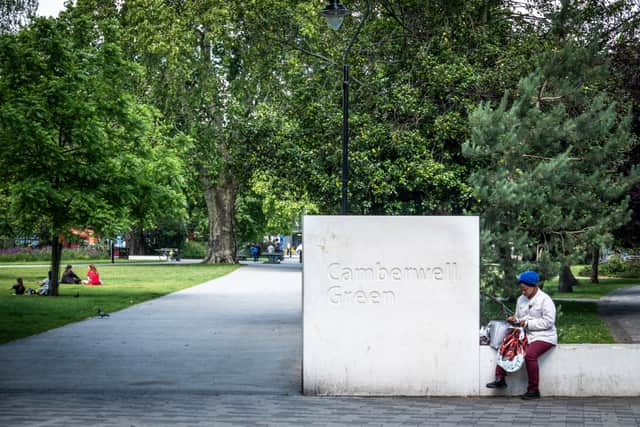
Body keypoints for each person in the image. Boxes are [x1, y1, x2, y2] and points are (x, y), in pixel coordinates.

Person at [486, 270, 557, 400]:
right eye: (521, 289)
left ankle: (533, 390)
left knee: (530, 355)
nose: (523, 292)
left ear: (534, 286)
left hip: (544, 336)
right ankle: (500, 378)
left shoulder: (545, 300)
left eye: (525, 289)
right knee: (506, 343)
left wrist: (526, 323)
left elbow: (549, 322)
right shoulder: (521, 299)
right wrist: (514, 319)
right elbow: (519, 318)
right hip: (525, 334)